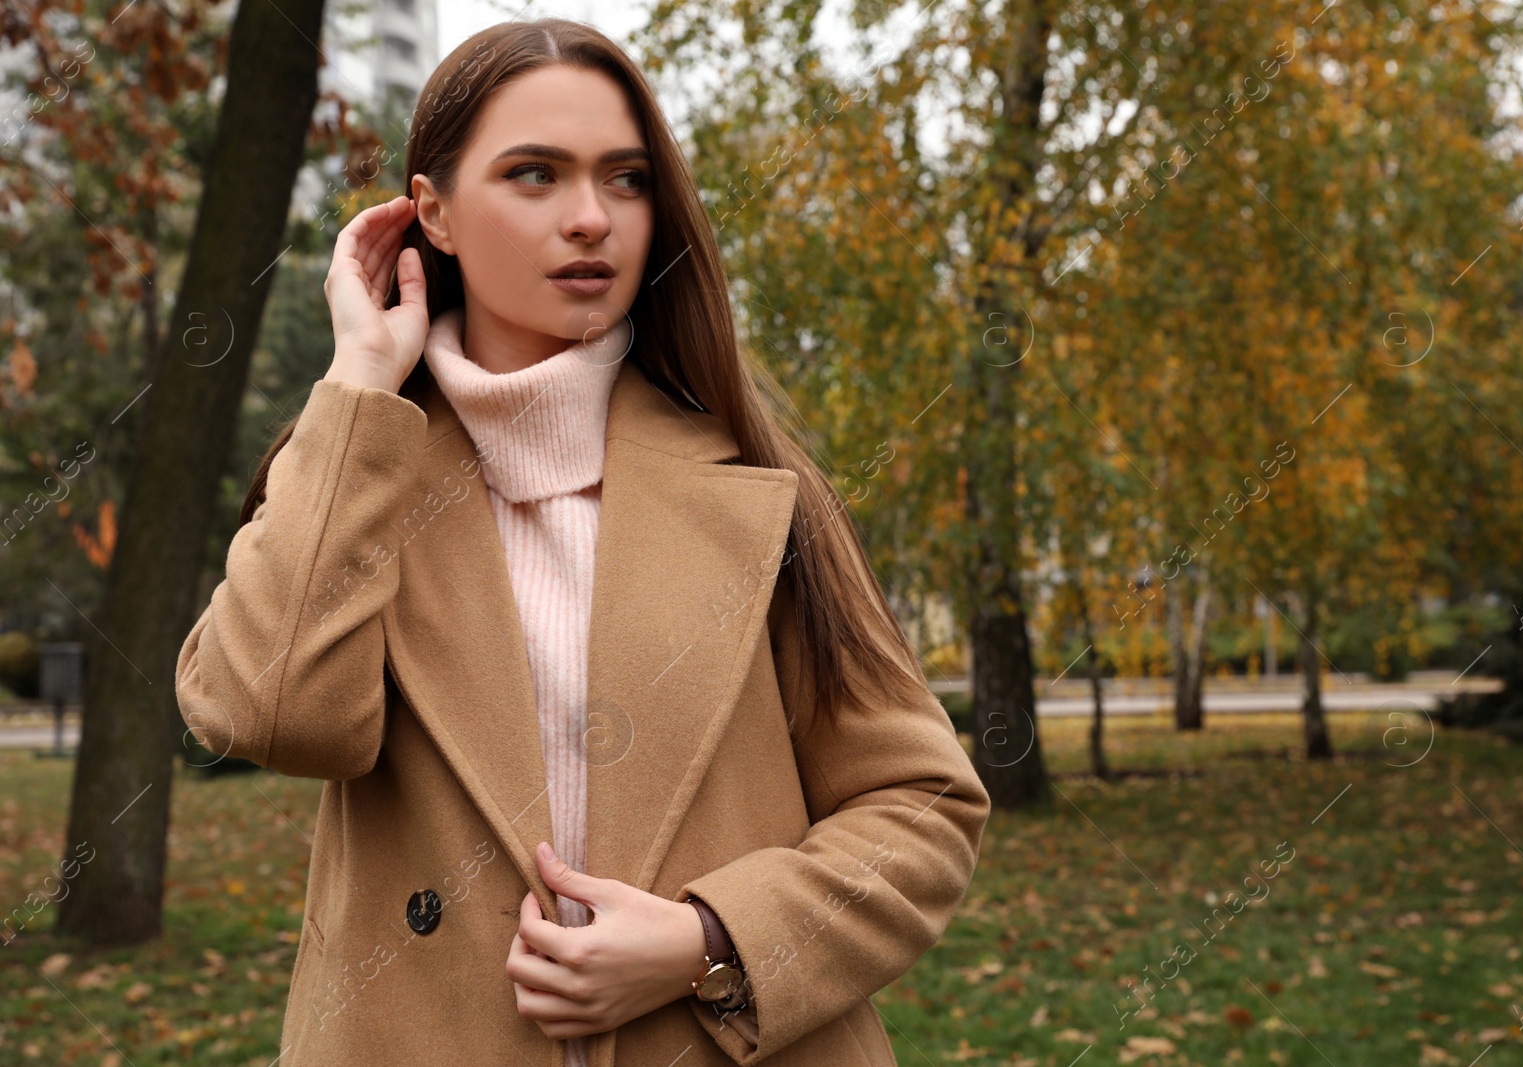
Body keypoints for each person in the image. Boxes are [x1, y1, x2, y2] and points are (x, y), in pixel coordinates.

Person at [176, 17, 989, 1067]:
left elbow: (920, 804)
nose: (591, 218)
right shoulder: (357, 476)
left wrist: (711, 939)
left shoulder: (758, 487)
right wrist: (357, 385)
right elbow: (270, 712)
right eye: (533, 174)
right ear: (434, 213)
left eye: (626, 178)